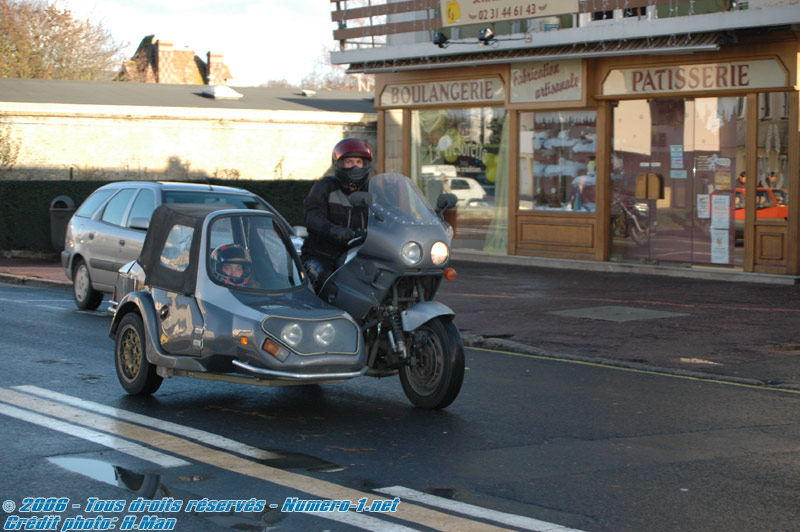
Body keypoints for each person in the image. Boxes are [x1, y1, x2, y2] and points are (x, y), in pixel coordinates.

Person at [301, 138, 372, 292]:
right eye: (349, 162)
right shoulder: (325, 186)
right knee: (322, 276)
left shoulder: (372, 191)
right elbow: (312, 215)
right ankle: (317, 314)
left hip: (359, 255)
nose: (355, 166)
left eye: (359, 162)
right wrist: (334, 230)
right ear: (339, 164)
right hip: (325, 254)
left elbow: (388, 213)